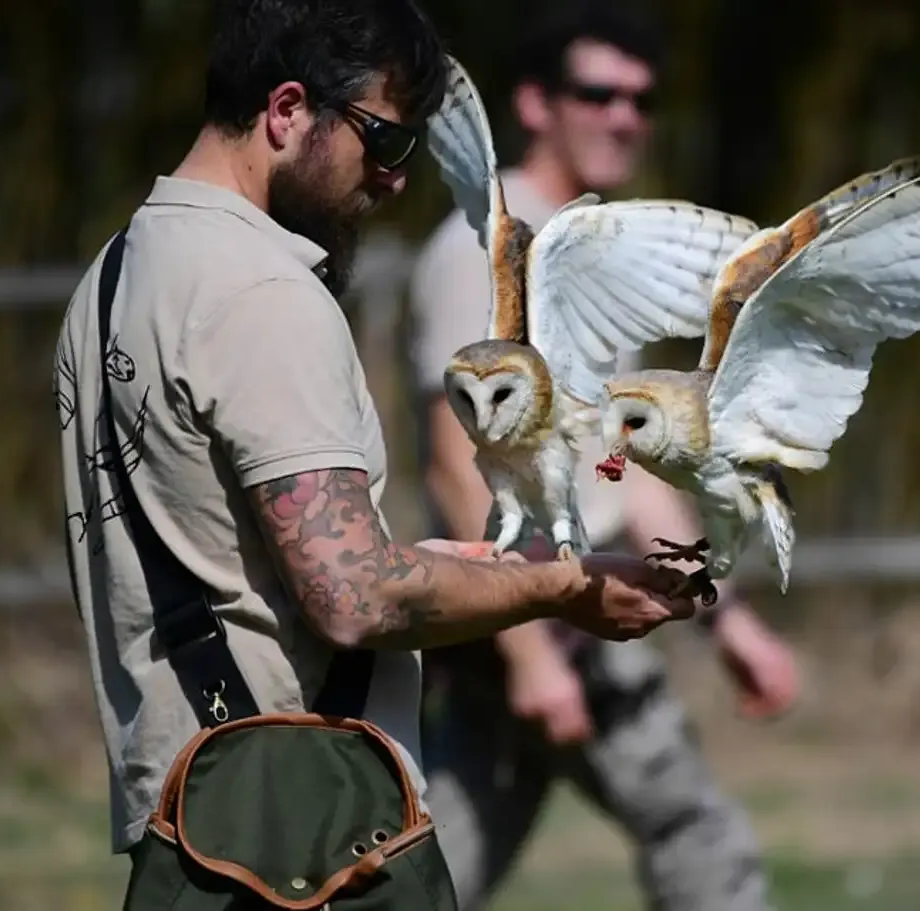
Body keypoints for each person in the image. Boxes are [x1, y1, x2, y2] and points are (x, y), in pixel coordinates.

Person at [52, 0, 695, 901]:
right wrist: (566, 586)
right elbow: (354, 598)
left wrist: (429, 562)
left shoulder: (115, 275)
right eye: (384, 142)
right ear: (285, 111)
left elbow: (220, 556)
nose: (395, 179)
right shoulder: (263, 293)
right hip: (313, 841)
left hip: (186, 828)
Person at [408, 2, 801, 909]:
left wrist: (723, 612)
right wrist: (532, 656)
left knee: (435, 874)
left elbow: (623, 476)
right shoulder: (489, 252)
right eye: (598, 92)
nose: (624, 115)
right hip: (541, 617)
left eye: (641, 98)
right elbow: (451, 466)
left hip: (538, 621)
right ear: (535, 103)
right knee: (698, 837)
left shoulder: (587, 252)